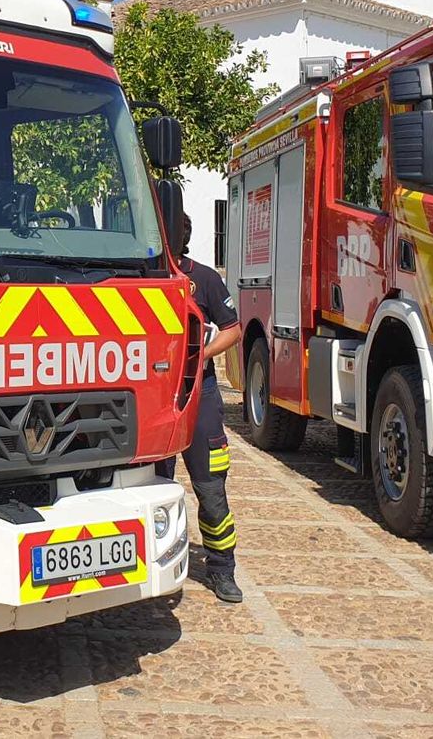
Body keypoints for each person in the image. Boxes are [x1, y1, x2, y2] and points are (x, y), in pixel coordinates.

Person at [160, 213, 245, 603]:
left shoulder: (205, 279)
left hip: (200, 394)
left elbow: (233, 329)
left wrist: (201, 355)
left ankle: (222, 569)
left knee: (211, 490)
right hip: (157, 397)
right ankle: (158, 564)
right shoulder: (146, 276)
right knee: (153, 487)